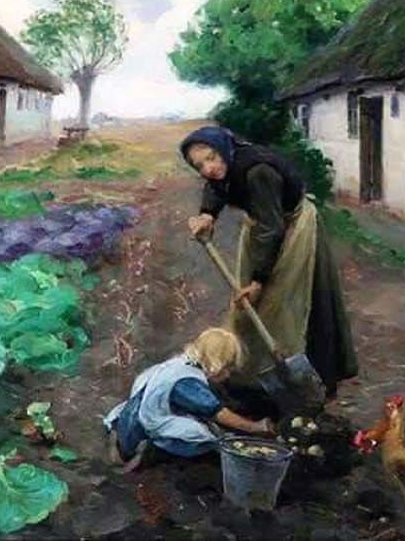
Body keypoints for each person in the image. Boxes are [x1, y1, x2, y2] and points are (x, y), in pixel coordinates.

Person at [181, 126, 357, 402]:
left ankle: (318, 379)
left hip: (293, 228)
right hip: (264, 228)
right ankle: (254, 377)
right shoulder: (226, 165)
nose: (208, 168)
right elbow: (217, 187)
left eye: (212, 158)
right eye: (199, 165)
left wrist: (257, 281)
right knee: (250, 307)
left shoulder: (257, 171)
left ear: (225, 150)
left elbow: (272, 229)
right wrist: (207, 215)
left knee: (292, 302)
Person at [103, 328, 274, 471]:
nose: (228, 374)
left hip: (132, 417)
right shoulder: (186, 382)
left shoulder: (178, 364)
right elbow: (217, 412)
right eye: (227, 368)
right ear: (217, 363)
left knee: (203, 424)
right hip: (143, 431)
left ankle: (123, 443)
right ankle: (148, 456)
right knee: (203, 436)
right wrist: (255, 427)